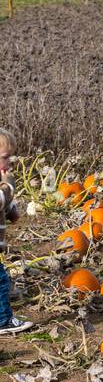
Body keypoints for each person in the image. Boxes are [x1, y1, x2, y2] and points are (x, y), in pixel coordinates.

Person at [0, 127, 33, 336]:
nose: (10, 162)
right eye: (5, 157)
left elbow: (5, 205)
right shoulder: (4, 186)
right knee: (1, 280)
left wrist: (12, 210)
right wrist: (8, 187)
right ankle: (3, 320)